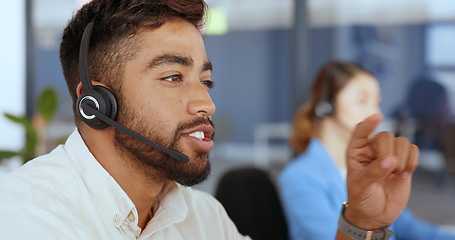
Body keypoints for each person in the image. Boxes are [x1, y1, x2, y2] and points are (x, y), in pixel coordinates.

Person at [0, 1, 418, 239]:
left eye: (206, 80)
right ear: (96, 103)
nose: (206, 102)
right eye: (172, 77)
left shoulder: (203, 217)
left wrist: (363, 223)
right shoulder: (27, 218)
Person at [279, 60, 455, 240]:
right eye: (362, 100)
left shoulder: (371, 170)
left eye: (377, 103)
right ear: (326, 106)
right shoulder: (299, 176)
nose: (375, 112)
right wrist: (363, 222)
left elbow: (411, 229)